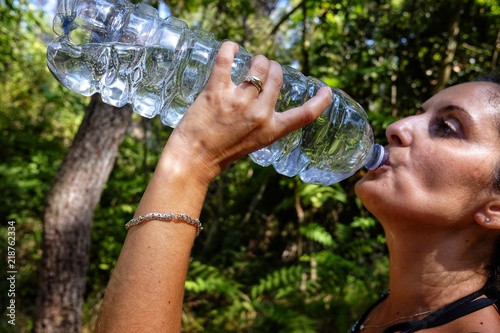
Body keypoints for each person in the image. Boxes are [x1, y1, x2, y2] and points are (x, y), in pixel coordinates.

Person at [94, 41, 500, 332]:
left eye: (447, 128)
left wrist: (190, 162)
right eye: (417, 113)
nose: (397, 128)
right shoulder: (397, 311)